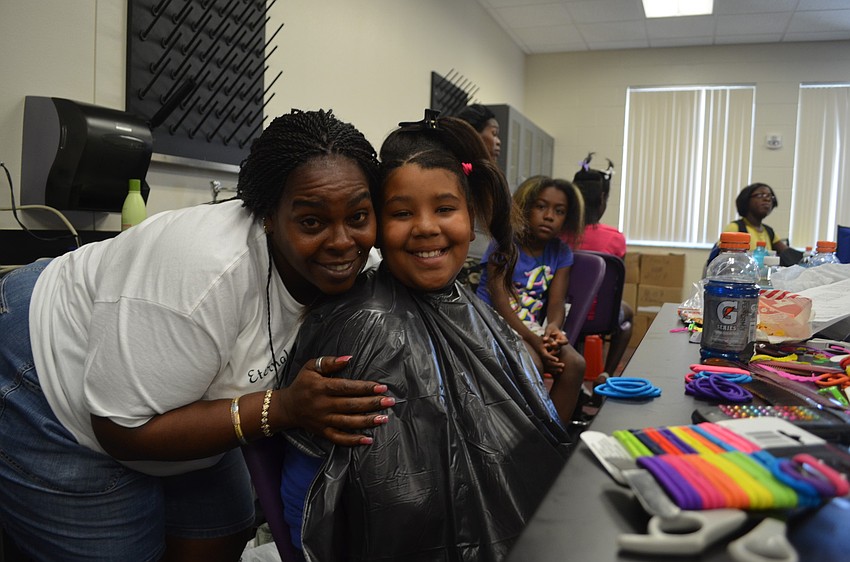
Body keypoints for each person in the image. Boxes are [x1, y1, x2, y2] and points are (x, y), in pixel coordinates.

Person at [0, 109, 395, 561]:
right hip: (48, 375)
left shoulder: (360, 265)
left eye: (359, 217)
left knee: (223, 530)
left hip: (173, 391)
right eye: (312, 222)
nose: (343, 241)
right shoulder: (206, 273)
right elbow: (120, 430)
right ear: (267, 215)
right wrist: (283, 407)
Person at [278, 110, 570, 561]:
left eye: (445, 209)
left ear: (470, 214)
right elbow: (320, 490)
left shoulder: (469, 306)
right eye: (401, 213)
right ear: (375, 225)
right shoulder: (363, 326)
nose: (427, 227)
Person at [476, 175, 587, 421]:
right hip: (492, 322)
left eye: (559, 211)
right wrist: (534, 340)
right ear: (525, 208)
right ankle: (520, 439)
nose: (549, 216)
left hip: (529, 328)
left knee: (575, 364)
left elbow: (557, 303)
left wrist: (553, 329)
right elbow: (500, 303)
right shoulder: (503, 244)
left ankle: (553, 440)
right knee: (532, 363)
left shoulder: (561, 252)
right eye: (541, 207)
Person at [571, 155, 634, 378]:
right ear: (602, 199)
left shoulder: (556, 234)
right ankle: (607, 375)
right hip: (598, 316)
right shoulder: (615, 238)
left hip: (559, 315)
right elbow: (615, 287)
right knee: (627, 314)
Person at [722, 182, 788, 254]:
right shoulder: (735, 228)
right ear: (746, 200)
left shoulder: (769, 231)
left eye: (770, 196)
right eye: (760, 195)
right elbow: (725, 259)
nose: (767, 199)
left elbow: (788, 253)